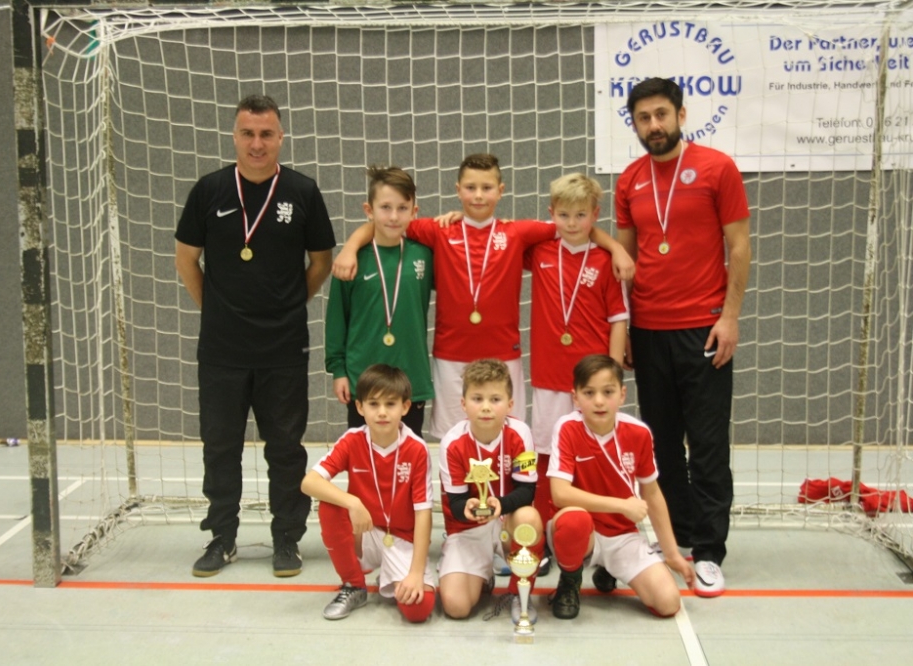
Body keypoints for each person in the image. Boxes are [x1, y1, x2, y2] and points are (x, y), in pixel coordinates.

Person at [333, 154, 633, 439]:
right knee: (453, 437)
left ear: (500, 191)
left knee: (513, 435)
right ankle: (453, 481)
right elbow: (387, 223)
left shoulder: (518, 232)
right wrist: (350, 246)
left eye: (487, 188)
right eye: (471, 187)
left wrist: (616, 248)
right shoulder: (438, 230)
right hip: (450, 356)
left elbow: (574, 227)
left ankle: (516, 481)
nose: (478, 195)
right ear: (458, 190)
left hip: (504, 354)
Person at [175, 94, 336, 578]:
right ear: (235, 136)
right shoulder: (210, 190)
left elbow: (321, 262)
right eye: (248, 133)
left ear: (280, 137)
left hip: (283, 347)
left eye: (266, 134)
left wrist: (288, 305)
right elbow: (186, 258)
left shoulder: (303, 191)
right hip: (222, 348)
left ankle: (286, 539)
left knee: (285, 448)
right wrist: (217, 311)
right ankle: (221, 538)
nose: (257, 143)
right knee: (220, 445)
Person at [615, 77, 751, 597]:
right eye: (643, 118)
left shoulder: (718, 168)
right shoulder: (630, 180)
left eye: (661, 115)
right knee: (662, 445)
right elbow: (625, 261)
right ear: (634, 124)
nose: (654, 125)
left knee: (709, 444)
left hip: (704, 328)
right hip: (649, 330)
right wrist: (626, 327)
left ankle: (710, 551)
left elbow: (739, 247)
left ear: (680, 115)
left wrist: (730, 317)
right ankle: (682, 536)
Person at [523, 173, 629, 563]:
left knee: (592, 454)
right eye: (563, 214)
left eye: (581, 215)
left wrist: (611, 375)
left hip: (591, 382)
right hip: (550, 376)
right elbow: (504, 235)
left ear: (595, 215)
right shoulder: (539, 251)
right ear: (551, 213)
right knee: (545, 454)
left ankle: (597, 534)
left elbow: (618, 319)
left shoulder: (605, 261)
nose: (571, 223)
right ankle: (540, 539)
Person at [546, 355, 694, 620]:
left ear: (622, 394)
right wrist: (622, 505)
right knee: (574, 521)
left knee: (668, 603)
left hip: (622, 534)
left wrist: (672, 554)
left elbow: (652, 493)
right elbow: (560, 494)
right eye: (589, 393)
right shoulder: (567, 428)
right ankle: (569, 581)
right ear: (575, 397)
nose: (599, 401)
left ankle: (611, 568)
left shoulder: (638, 432)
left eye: (608, 392)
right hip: (581, 532)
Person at [301, 365, 435, 622]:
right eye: (373, 404)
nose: (382, 412)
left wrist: (416, 573)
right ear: (360, 407)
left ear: (405, 407)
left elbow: (423, 514)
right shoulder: (352, 440)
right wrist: (352, 502)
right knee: (331, 505)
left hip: (402, 538)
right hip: (365, 531)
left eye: (390, 404)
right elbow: (309, 482)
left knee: (419, 609)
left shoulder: (417, 449)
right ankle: (354, 584)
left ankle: (393, 574)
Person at [324, 167, 433, 438]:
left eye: (402, 208)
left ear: (414, 211)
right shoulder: (350, 260)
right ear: (368, 210)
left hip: (411, 378)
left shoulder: (424, 255)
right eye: (385, 207)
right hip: (362, 378)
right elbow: (337, 319)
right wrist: (338, 370)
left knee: (409, 456)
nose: (394, 216)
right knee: (363, 456)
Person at [437, 358, 543, 624]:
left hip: (508, 520)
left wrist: (500, 506)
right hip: (468, 529)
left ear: (510, 404)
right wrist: (468, 508)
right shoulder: (451, 443)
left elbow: (527, 490)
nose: (486, 407)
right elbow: (456, 502)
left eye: (495, 399)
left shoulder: (520, 433)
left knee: (529, 518)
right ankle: (482, 575)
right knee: (457, 607)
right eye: (477, 399)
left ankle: (519, 593)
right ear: (463, 404)